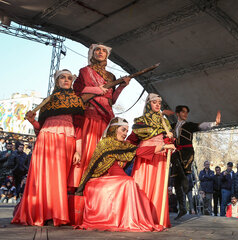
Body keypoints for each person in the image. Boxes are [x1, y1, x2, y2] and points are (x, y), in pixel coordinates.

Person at [12, 69, 85, 226]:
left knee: (59, 178)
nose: (66, 80)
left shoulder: (77, 101)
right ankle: (39, 213)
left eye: (69, 78)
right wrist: (32, 121)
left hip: (67, 140)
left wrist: (78, 150)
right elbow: (39, 127)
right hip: (45, 139)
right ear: (57, 81)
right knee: (41, 176)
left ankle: (55, 214)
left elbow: (79, 127)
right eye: (62, 77)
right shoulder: (48, 100)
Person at [75, 117, 172, 232]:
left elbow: (138, 151)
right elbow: (98, 170)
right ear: (114, 129)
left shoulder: (124, 145)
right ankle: (127, 221)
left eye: (127, 131)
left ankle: (131, 221)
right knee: (128, 183)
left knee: (135, 188)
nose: (125, 133)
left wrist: (164, 146)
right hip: (97, 180)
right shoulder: (106, 143)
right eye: (123, 130)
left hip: (114, 179)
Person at [69, 43, 131, 188]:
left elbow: (112, 100)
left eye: (104, 50)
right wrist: (95, 90)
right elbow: (77, 91)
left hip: (106, 117)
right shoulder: (84, 71)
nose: (100, 52)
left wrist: (121, 86)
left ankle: (101, 183)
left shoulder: (111, 76)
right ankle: (82, 183)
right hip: (90, 115)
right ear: (92, 53)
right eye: (97, 50)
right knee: (89, 150)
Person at [127, 93, 174, 228]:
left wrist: (170, 138)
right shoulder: (141, 120)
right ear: (149, 104)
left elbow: (167, 140)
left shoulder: (165, 122)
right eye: (154, 102)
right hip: (146, 154)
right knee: (143, 184)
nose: (157, 104)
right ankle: (141, 216)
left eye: (159, 102)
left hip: (161, 155)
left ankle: (157, 218)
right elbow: (132, 139)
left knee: (159, 185)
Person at [170, 105, 220, 220]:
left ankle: (187, 186)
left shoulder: (189, 125)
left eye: (187, 112)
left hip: (187, 152)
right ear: (177, 113)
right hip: (177, 153)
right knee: (176, 182)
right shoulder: (172, 126)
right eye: (183, 112)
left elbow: (201, 126)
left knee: (183, 175)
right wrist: (162, 114)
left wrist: (214, 123)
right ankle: (182, 208)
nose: (185, 114)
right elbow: (161, 129)